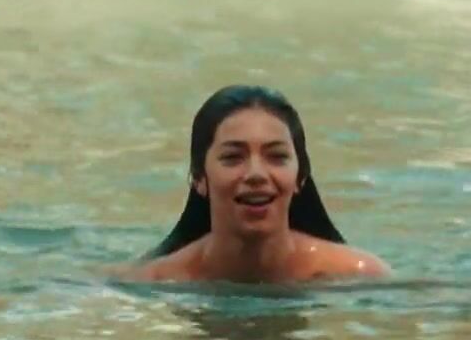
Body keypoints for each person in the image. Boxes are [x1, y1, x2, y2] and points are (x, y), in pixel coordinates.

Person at [116, 85, 390, 283]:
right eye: (233, 157)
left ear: (300, 177)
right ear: (199, 178)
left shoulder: (359, 275)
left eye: (277, 157)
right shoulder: (157, 281)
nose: (256, 174)